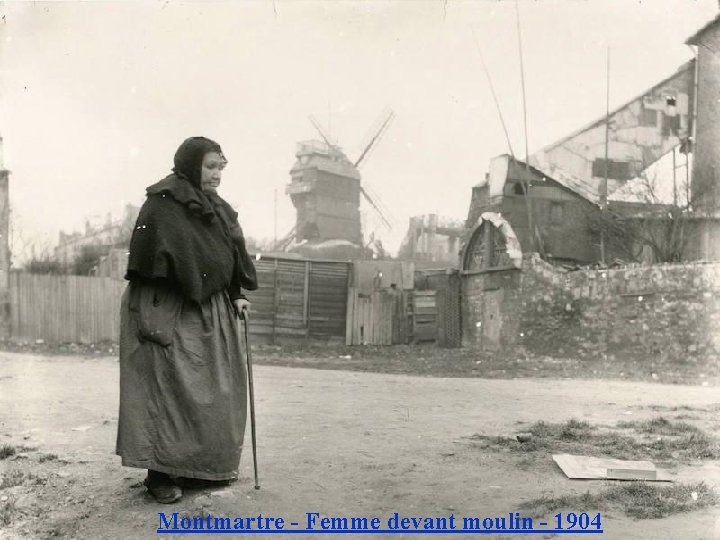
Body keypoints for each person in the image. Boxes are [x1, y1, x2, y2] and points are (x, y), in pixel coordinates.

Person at [116, 136, 258, 504]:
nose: (216, 175)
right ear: (191, 164)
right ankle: (158, 473)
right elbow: (148, 259)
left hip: (210, 311)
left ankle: (196, 468)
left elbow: (229, 254)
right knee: (165, 388)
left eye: (220, 168)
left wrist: (237, 293)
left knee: (209, 392)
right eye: (210, 167)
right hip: (168, 307)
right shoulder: (162, 203)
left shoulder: (218, 209)